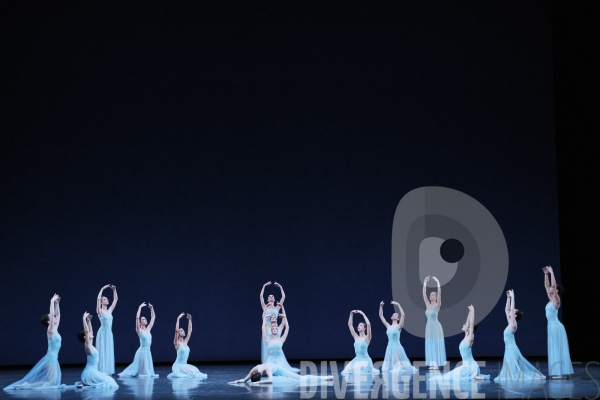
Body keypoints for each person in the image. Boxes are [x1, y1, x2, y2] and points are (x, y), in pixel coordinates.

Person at [4, 294, 67, 390]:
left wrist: (57, 304)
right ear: (49, 322)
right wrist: (51, 301)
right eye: (52, 317)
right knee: (52, 383)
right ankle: (27, 385)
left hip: (53, 359)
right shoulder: (51, 331)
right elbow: (53, 313)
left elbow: (58, 315)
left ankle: (27, 384)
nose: (55, 317)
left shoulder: (55, 329)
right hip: (51, 360)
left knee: (52, 383)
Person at [494, 290, 545, 382]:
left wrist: (513, 297)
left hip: (512, 349)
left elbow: (511, 309)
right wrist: (508, 298)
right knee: (511, 371)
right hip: (509, 349)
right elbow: (507, 309)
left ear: (515, 315)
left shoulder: (513, 324)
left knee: (512, 373)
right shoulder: (510, 322)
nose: (510, 311)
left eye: (513, 311)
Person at [429, 305, 488, 383]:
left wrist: (473, 311)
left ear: (469, 328)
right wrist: (469, 312)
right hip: (467, 366)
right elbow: (469, 322)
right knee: (450, 375)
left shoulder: (470, 337)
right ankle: (475, 376)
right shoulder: (466, 336)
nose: (464, 325)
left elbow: (471, 324)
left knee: (452, 376)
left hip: (470, 367)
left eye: (466, 325)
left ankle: (474, 375)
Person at [543, 266, 573, 379]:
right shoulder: (550, 300)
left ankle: (560, 373)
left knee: (556, 347)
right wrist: (546, 274)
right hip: (551, 326)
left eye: (552, 288)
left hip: (556, 326)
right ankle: (558, 372)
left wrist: (552, 273)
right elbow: (546, 286)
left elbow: (553, 285)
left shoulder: (557, 300)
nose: (550, 288)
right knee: (554, 348)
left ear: (557, 291)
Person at [75, 312, 119, 389]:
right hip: (89, 373)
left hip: (93, 372)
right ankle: (86, 383)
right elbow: (87, 331)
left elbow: (90, 331)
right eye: (88, 334)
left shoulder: (91, 345)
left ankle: (86, 383)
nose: (90, 333)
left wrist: (89, 321)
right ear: (85, 337)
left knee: (109, 380)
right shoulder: (87, 346)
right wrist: (84, 319)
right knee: (110, 382)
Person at [118, 302, 158, 378]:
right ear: (140, 322)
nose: (145, 320)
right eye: (143, 319)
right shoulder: (139, 330)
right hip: (142, 351)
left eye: (145, 319)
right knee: (141, 371)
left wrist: (151, 308)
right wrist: (140, 307)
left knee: (146, 370)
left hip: (148, 351)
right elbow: (137, 318)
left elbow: (153, 317)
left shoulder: (148, 329)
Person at [379, 300, 417, 373]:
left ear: (398, 319)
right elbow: (381, 316)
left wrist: (398, 304)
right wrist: (381, 306)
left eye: (395, 315)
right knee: (389, 367)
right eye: (393, 314)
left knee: (396, 366)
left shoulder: (399, 326)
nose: (393, 315)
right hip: (389, 347)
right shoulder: (388, 326)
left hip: (396, 347)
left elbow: (403, 315)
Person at [167, 313, 207, 379]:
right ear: (179, 334)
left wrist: (190, 320)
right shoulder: (177, 343)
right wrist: (178, 319)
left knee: (196, 372)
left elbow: (190, 331)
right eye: (181, 331)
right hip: (178, 365)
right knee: (192, 374)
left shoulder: (185, 342)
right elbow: (176, 330)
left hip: (184, 365)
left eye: (183, 330)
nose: (183, 331)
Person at [262, 303, 299, 372]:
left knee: (281, 367)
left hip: (278, 345)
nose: (273, 318)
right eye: (271, 317)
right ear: (270, 320)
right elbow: (263, 323)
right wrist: (265, 310)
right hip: (270, 345)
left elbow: (285, 323)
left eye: (274, 317)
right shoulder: (267, 328)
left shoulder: (279, 328)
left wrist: (282, 308)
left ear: (276, 319)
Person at [228, 363, 333, 384]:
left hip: (281, 371)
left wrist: (258, 383)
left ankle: (324, 377)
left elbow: (270, 381)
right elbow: (244, 379)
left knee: (301, 378)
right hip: (275, 371)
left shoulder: (268, 369)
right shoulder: (254, 370)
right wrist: (234, 382)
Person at [423, 276, 446, 369]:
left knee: (436, 343)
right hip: (428, 326)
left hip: (436, 326)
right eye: (430, 295)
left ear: (436, 297)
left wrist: (438, 282)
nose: (430, 296)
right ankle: (432, 363)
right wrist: (425, 283)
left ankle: (437, 363)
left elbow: (440, 293)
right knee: (430, 344)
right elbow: (424, 294)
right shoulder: (428, 304)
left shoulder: (437, 305)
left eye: (433, 295)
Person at [260, 281, 286, 363]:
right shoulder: (265, 307)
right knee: (268, 347)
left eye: (272, 296)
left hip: (275, 328)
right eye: (269, 297)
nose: (271, 297)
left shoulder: (277, 308)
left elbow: (283, 296)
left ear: (274, 299)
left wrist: (280, 287)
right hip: (267, 328)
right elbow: (261, 296)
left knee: (276, 345)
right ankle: (268, 364)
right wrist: (264, 286)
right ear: (268, 299)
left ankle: (277, 363)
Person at [341, 310, 373, 374]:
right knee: (347, 370)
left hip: (365, 360)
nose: (358, 326)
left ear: (364, 328)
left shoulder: (367, 338)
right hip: (357, 359)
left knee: (356, 370)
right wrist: (351, 314)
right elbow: (350, 325)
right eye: (358, 325)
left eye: (361, 325)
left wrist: (362, 313)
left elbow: (368, 324)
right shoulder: (356, 337)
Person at [96, 284, 117, 375]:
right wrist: (102, 288)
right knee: (102, 350)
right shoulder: (100, 311)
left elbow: (115, 300)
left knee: (108, 350)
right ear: (101, 302)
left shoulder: (109, 311)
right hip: (102, 332)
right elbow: (97, 299)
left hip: (109, 333)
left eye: (107, 299)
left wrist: (114, 290)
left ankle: (108, 370)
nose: (107, 300)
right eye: (104, 299)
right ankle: (101, 370)